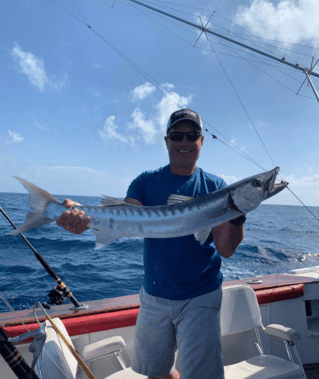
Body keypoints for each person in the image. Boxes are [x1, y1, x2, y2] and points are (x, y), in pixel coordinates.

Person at [57, 108, 245, 379]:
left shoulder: (216, 187)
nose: (184, 142)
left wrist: (237, 219)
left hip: (201, 296)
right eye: (177, 136)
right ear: (166, 141)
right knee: (156, 373)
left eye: (192, 135)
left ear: (201, 141)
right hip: (154, 296)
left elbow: (225, 250)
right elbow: (125, 217)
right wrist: (84, 217)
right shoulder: (146, 181)